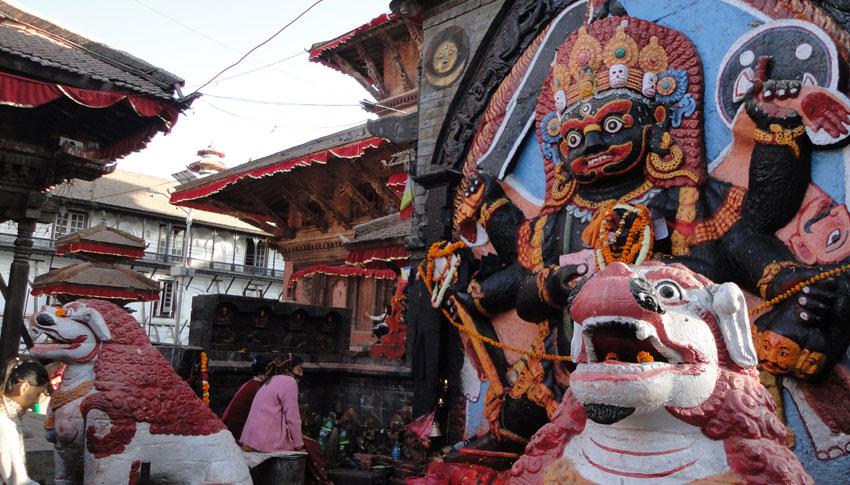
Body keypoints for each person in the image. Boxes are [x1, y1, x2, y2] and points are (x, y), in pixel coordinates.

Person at [1, 358, 50, 485]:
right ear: (24, 388)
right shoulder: (5, 425)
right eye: (39, 393)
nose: (37, 400)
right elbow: (18, 481)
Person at [240, 355, 304, 452]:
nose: (301, 374)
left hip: (250, 439)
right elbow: (293, 418)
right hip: (267, 442)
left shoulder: (271, 379)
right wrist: (299, 445)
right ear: (289, 369)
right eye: (299, 370)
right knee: (312, 448)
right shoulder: (289, 382)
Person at [221, 355, 275, 442]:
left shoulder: (252, 383)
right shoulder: (258, 388)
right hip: (239, 432)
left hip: (232, 428)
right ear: (261, 374)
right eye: (271, 373)